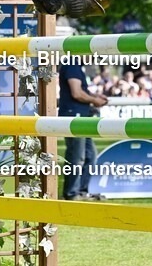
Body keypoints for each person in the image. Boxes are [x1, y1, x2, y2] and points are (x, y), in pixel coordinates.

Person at [58, 62, 108, 200]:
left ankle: (82, 191)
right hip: (74, 117)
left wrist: (95, 97)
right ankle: (72, 193)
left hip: (81, 117)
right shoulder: (72, 65)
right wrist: (94, 100)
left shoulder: (76, 66)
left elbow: (80, 91)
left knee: (90, 155)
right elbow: (76, 93)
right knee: (77, 156)